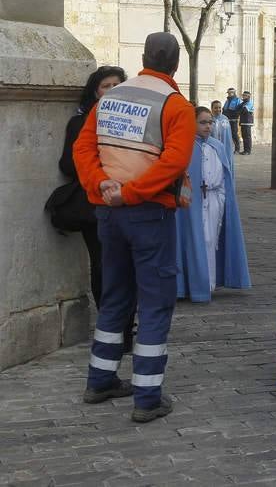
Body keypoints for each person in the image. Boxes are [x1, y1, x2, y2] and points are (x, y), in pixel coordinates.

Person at [73, 32, 195, 422]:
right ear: (176, 64)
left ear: (142, 57)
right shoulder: (176, 106)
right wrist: (132, 192)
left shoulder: (111, 97)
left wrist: (102, 185)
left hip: (109, 214)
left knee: (115, 297)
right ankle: (147, 397)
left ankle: (100, 380)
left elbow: (83, 148)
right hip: (149, 214)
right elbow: (172, 163)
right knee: (156, 303)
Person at [59, 65, 135, 350]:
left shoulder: (133, 122)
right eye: (106, 86)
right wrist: (99, 172)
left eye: (117, 85)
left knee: (129, 266)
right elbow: (67, 164)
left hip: (129, 201)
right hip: (95, 205)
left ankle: (127, 325)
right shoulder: (80, 123)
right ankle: (113, 328)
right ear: (95, 90)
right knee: (104, 267)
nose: (112, 91)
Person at [175, 107, 251, 302]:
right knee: (197, 240)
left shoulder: (217, 146)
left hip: (215, 198)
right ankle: (195, 284)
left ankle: (209, 282)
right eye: (203, 122)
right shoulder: (185, 147)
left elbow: (226, 175)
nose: (208, 126)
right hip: (194, 201)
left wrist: (224, 199)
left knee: (211, 239)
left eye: (210, 122)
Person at [210, 100, 235, 168]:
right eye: (215, 107)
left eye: (219, 107)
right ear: (212, 108)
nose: (218, 109)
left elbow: (228, 135)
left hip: (225, 146)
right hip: (213, 147)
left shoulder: (225, 119)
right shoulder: (209, 119)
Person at [222, 87, 242, 154]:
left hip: (234, 120)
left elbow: (240, 109)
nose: (229, 94)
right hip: (227, 120)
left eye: (230, 93)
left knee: (234, 134)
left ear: (233, 93)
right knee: (227, 134)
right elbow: (224, 109)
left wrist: (235, 114)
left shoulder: (237, 100)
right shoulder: (227, 101)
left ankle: (237, 148)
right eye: (228, 93)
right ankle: (228, 148)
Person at [239, 91, 255, 155]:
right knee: (244, 136)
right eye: (243, 95)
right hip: (243, 122)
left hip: (247, 122)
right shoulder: (244, 103)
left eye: (244, 95)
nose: (243, 96)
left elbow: (244, 110)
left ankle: (248, 150)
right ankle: (245, 150)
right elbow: (238, 108)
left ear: (248, 96)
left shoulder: (249, 103)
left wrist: (240, 110)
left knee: (247, 137)